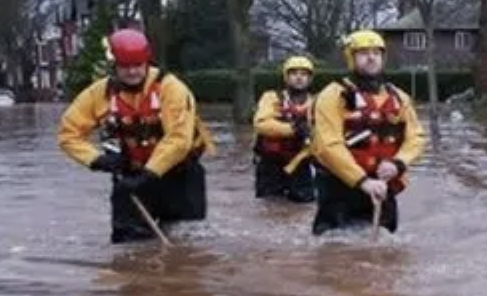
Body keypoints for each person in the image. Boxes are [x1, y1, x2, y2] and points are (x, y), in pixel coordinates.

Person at [57, 27, 215, 244]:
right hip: (129, 179)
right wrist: (96, 160)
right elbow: (68, 134)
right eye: (125, 66)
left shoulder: (171, 89)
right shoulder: (98, 94)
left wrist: (149, 174)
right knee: (129, 248)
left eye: (137, 65)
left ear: (147, 62)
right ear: (114, 66)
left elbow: (179, 139)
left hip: (179, 176)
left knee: (187, 244)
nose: (132, 72)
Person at [310, 29, 427, 236]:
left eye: (377, 52)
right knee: (333, 247)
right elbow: (328, 146)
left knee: (386, 250)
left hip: (383, 183)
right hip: (340, 186)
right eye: (363, 53)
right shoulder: (333, 96)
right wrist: (363, 181)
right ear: (351, 58)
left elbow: (415, 137)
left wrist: (398, 163)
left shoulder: (399, 97)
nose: (372, 57)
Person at [250, 55, 319, 202]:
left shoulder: (316, 103)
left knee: (304, 203)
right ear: (286, 77)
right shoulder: (272, 97)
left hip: (300, 163)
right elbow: (261, 124)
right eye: (294, 74)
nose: (299, 78)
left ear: (310, 78)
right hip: (271, 164)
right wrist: (292, 129)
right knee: (269, 203)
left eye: (304, 74)